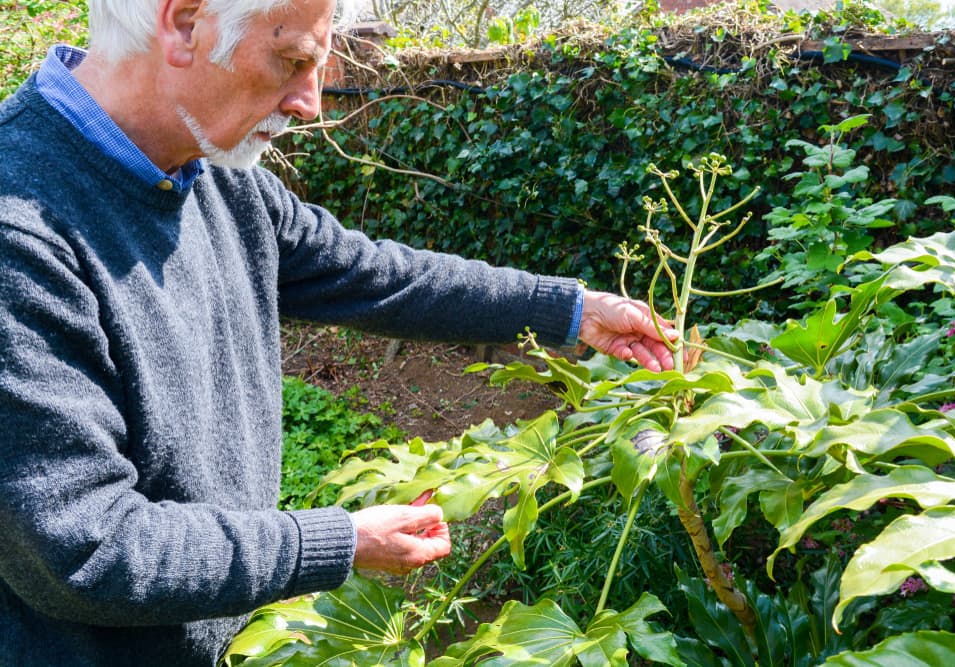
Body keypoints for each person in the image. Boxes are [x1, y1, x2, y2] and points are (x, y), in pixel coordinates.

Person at [0, 0, 678, 664]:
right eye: (292, 60)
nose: (309, 104)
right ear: (184, 22)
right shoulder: (20, 232)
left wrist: (572, 310)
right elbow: (83, 549)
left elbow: (377, 276)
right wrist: (338, 541)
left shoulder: (217, 179)